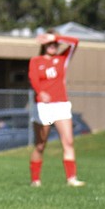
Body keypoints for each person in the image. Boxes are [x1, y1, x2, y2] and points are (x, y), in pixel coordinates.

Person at [27, 32, 86, 187]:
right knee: (40, 145)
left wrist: (55, 37)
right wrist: (40, 92)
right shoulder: (36, 61)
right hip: (43, 106)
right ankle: (35, 180)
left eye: (54, 44)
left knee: (68, 142)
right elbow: (33, 79)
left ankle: (71, 179)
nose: (52, 46)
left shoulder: (62, 59)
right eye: (49, 43)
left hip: (61, 104)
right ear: (43, 45)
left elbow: (75, 41)